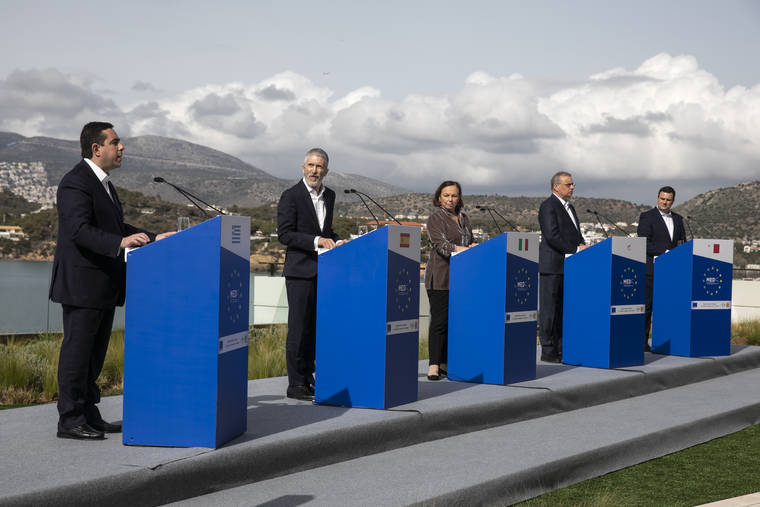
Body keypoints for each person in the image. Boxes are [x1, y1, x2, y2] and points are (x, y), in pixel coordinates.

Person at [49, 122, 173, 440]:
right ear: (96, 148)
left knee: (94, 355)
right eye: (115, 142)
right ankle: (70, 419)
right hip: (82, 285)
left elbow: (117, 225)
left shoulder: (104, 184)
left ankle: (89, 413)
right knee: (77, 353)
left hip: (103, 285)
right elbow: (79, 230)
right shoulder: (76, 183)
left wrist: (156, 237)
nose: (122, 148)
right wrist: (120, 243)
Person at [277, 148, 342, 400]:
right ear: (303, 167)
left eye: (320, 167)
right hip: (299, 272)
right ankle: (295, 384)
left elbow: (326, 229)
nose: (315, 171)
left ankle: (308, 377)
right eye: (311, 166)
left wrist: (337, 240)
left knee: (314, 329)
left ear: (326, 170)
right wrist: (317, 240)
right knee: (298, 328)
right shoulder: (291, 196)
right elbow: (285, 234)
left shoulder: (331, 196)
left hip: (323, 272)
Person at [424, 180, 474, 380]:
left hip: (461, 278)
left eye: (454, 195)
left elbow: (467, 241)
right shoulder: (435, 218)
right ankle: (433, 365)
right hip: (441, 277)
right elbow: (440, 245)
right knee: (439, 321)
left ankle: (446, 362)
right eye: (446, 195)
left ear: (459, 197)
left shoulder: (464, 218)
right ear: (439, 198)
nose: (450, 199)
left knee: (454, 321)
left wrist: (472, 246)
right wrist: (461, 249)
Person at [538, 171, 587, 363]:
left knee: (562, 310)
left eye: (573, 184)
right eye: (568, 184)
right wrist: (576, 248)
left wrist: (583, 246)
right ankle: (548, 350)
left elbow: (575, 234)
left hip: (569, 267)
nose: (572, 187)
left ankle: (561, 348)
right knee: (550, 310)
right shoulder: (548, 206)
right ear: (556, 186)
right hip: (552, 266)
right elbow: (552, 235)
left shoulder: (571, 208)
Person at [637, 186, 687, 350]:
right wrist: (665, 252)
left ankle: (665, 341)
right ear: (658, 198)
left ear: (673, 201)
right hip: (651, 270)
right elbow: (643, 242)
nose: (665, 202)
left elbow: (681, 242)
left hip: (671, 272)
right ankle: (642, 342)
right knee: (647, 307)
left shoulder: (679, 219)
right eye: (662, 199)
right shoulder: (647, 217)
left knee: (666, 307)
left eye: (668, 200)